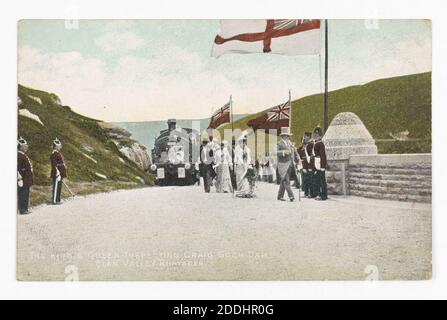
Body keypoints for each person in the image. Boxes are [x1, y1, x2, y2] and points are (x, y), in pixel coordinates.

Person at [276, 127, 299, 202]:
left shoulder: (290, 144)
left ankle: (280, 196)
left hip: (290, 164)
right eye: (287, 136)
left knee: (284, 180)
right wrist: (283, 152)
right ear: (283, 136)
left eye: (288, 136)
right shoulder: (279, 144)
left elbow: (295, 152)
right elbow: (275, 152)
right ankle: (291, 196)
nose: (288, 137)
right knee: (286, 180)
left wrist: (298, 158)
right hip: (283, 164)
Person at [17, 137, 33, 215]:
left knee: (26, 193)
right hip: (23, 178)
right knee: (22, 194)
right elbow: (17, 168)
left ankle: (25, 208)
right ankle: (22, 210)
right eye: (24, 146)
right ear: (20, 147)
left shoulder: (23, 155)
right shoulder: (19, 155)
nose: (26, 147)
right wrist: (19, 177)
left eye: (26, 146)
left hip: (27, 178)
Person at [312, 127, 328, 201]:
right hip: (317, 164)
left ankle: (323, 195)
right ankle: (319, 194)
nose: (314, 135)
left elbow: (322, 156)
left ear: (318, 134)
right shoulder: (316, 143)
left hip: (320, 164)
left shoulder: (320, 144)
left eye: (315, 134)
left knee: (322, 181)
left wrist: (322, 166)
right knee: (318, 180)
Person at [50, 137, 67, 205]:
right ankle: (54, 201)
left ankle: (58, 199)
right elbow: (54, 165)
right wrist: (57, 172)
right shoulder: (54, 154)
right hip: (57, 172)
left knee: (59, 186)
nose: (60, 147)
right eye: (59, 146)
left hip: (61, 171)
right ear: (55, 147)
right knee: (56, 186)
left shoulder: (58, 153)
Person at [298, 132, 312, 196]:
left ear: (308, 137)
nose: (304, 138)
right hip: (304, 163)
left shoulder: (310, 144)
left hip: (309, 163)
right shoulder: (303, 146)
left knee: (309, 179)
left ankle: (309, 193)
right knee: (305, 178)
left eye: (305, 137)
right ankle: (306, 192)